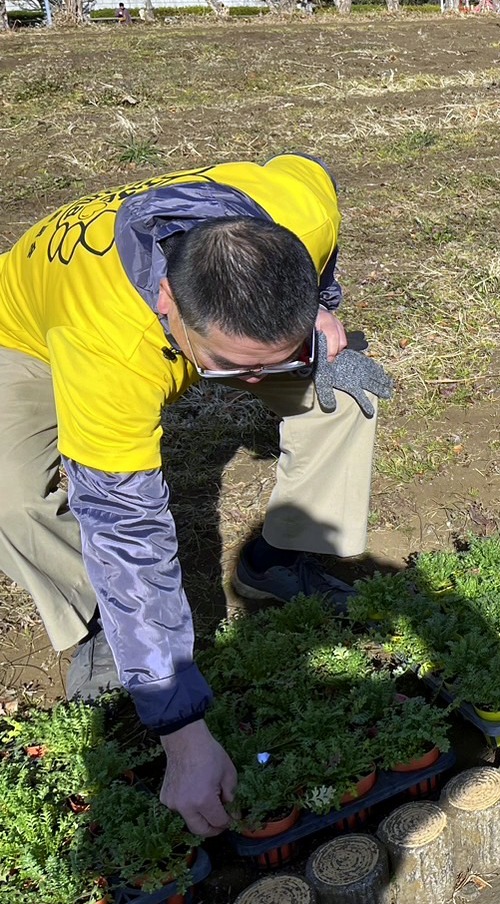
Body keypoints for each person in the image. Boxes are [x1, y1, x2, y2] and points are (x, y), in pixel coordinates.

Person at [0, 154, 392, 834]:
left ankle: (279, 561)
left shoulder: (297, 208)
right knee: (9, 496)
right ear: (167, 307)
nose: (253, 387)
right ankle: (98, 624)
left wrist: (324, 315)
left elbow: (318, 180)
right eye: (235, 370)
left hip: (227, 315)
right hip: (27, 336)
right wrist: (182, 733)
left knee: (345, 388)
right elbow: (129, 534)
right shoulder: (109, 346)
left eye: (274, 362)